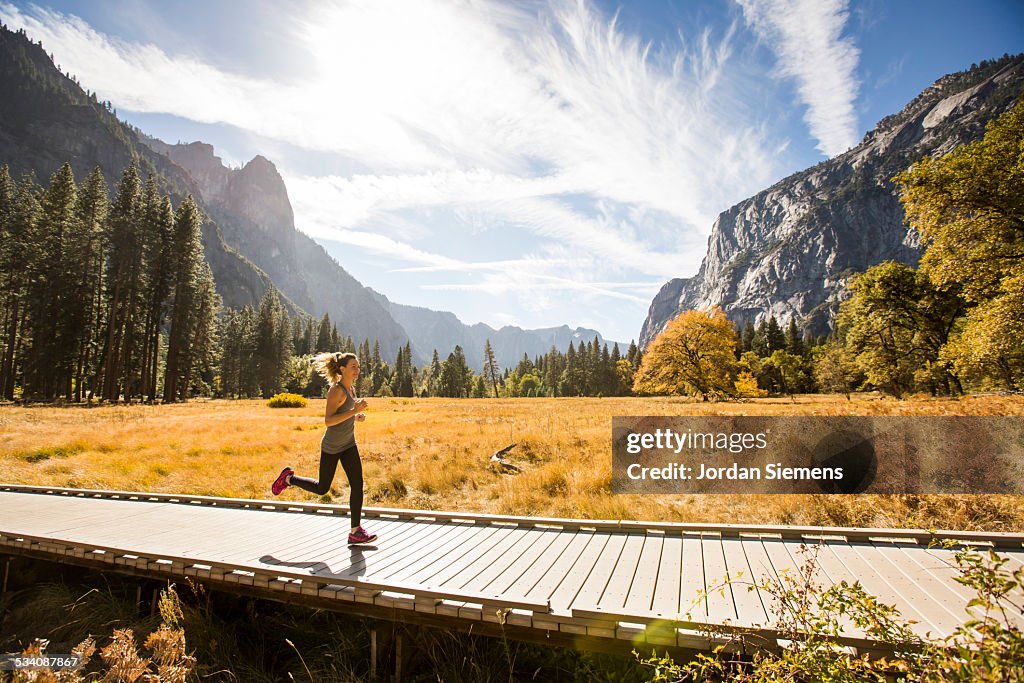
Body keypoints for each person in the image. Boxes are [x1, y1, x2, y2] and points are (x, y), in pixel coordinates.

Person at [272, 351, 377, 545]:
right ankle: (288, 478)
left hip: (348, 444)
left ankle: (356, 531)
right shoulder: (336, 391)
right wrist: (354, 411)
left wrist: (356, 416)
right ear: (343, 369)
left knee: (357, 484)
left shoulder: (350, 389)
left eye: (358, 366)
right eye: (353, 366)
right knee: (322, 488)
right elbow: (329, 421)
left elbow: (344, 413)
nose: (357, 370)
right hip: (332, 447)